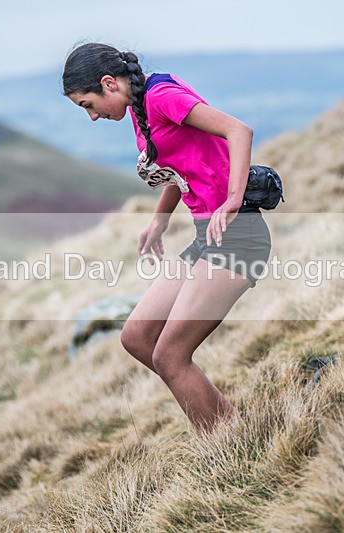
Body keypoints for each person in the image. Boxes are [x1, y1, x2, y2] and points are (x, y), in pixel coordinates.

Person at [62, 43, 271, 434]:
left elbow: (238, 131)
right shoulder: (138, 107)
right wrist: (159, 220)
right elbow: (179, 168)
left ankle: (229, 443)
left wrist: (233, 199)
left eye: (88, 104)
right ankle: (230, 425)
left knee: (171, 356)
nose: (92, 116)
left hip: (238, 235)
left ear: (109, 84)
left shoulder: (160, 96)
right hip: (205, 238)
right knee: (138, 337)